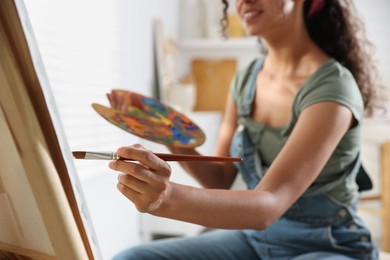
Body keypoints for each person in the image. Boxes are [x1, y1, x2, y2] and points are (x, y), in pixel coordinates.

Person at [110, 0, 380, 259]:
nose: (243, 2)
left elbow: (269, 205)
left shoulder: (333, 88)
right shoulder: (245, 80)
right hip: (256, 240)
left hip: (327, 245)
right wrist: (168, 134)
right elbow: (220, 179)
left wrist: (166, 198)